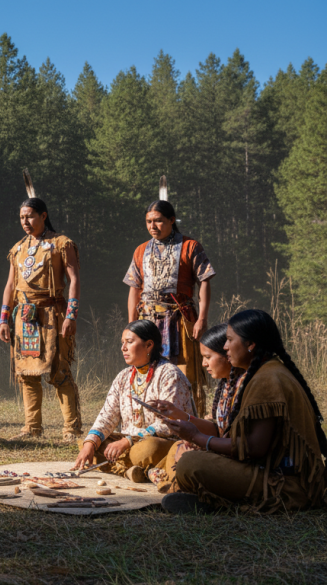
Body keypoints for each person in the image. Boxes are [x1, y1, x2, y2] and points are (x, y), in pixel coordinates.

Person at [156, 309, 326, 514]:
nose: (226, 347)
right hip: (267, 474)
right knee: (183, 454)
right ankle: (211, 500)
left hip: (284, 486)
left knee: (191, 463)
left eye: (229, 340)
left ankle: (218, 503)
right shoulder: (265, 373)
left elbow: (254, 448)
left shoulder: (267, 379)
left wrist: (196, 436)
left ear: (250, 344)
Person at [0, 195, 82, 441]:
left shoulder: (61, 244)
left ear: (43, 216)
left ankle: (71, 428)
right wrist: (4, 319)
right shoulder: (17, 249)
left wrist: (71, 315)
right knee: (27, 372)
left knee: (59, 371)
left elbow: (74, 279)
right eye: (22, 217)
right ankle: (32, 427)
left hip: (52, 315)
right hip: (25, 317)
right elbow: (11, 285)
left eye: (30, 216)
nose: (25, 221)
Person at [124, 192, 215, 415]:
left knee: (185, 373)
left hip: (180, 320)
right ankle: (152, 419)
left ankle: (191, 423)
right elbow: (134, 288)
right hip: (148, 320)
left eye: (158, 221)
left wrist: (201, 318)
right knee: (149, 369)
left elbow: (204, 281)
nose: (153, 226)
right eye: (148, 221)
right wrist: (131, 325)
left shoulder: (190, 246)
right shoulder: (141, 250)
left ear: (172, 220)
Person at [72, 320, 195, 482]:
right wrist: (90, 443)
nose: (123, 348)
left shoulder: (169, 374)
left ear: (149, 345)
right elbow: (107, 416)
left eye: (129, 342)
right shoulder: (123, 376)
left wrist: (128, 441)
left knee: (146, 450)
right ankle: (137, 471)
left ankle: (131, 468)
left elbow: (170, 424)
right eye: (123, 343)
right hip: (126, 443)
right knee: (88, 444)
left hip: (163, 442)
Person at [145, 324, 240, 487]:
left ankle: (176, 483)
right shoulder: (226, 385)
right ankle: (175, 480)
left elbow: (243, 446)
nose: (203, 364)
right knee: (178, 447)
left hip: (239, 463)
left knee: (189, 460)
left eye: (208, 357)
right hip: (222, 452)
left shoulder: (247, 386)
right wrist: (178, 414)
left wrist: (197, 438)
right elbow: (219, 431)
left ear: (228, 354)